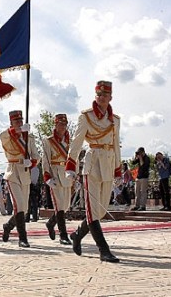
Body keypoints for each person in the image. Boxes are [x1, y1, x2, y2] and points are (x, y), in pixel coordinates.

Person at [65, 80, 120, 262]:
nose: (101, 97)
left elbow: (116, 146)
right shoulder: (86, 117)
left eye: (105, 95)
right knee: (92, 209)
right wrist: (71, 167)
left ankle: (77, 235)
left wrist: (118, 170)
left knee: (101, 211)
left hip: (109, 163)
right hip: (92, 163)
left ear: (110, 97)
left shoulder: (115, 120)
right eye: (98, 94)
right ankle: (103, 250)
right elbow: (76, 142)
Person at [0, 110, 39, 248]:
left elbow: (36, 155)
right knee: (19, 206)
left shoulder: (29, 137)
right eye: (16, 121)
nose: (19, 123)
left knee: (24, 208)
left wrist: (32, 162)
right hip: (13, 173)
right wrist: (17, 130)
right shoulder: (7, 135)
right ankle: (23, 238)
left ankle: (8, 226)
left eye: (20, 121)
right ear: (11, 123)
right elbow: (3, 137)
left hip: (25, 174)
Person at [42, 113, 73, 245]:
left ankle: (51, 223)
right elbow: (46, 160)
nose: (63, 127)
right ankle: (63, 235)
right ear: (55, 125)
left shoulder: (69, 141)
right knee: (59, 206)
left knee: (65, 206)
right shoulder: (48, 141)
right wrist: (47, 176)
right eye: (60, 124)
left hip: (66, 174)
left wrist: (74, 174)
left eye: (65, 124)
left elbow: (73, 159)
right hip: (55, 173)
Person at [131, 147, 150, 211]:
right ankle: (137, 205)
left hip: (144, 177)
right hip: (138, 177)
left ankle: (142, 206)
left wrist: (141, 158)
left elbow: (143, 165)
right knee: (137, 192)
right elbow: (133, 163)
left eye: (140, 152)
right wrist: (136, 156)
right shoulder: (138, 158)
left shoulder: (147, 158)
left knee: (143, 192)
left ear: (143, 152)